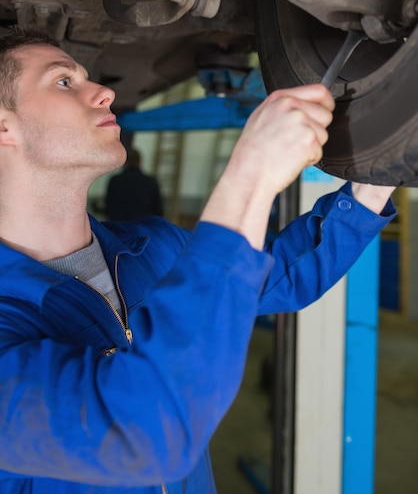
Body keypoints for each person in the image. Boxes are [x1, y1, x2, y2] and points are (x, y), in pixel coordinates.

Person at [0, 27, 395, 494]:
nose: (104, 91)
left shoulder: (151, 246)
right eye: (64, 81)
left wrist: (382, 168)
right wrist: (249, 175)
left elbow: (284, 276)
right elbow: (143, 435)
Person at [105, 148, 163, 220]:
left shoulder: (114, 181)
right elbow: (158, 211)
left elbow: (108, 208)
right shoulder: (151, 182)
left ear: (124, 162)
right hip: (142, 228)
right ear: (139, 162)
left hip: (117, 227)